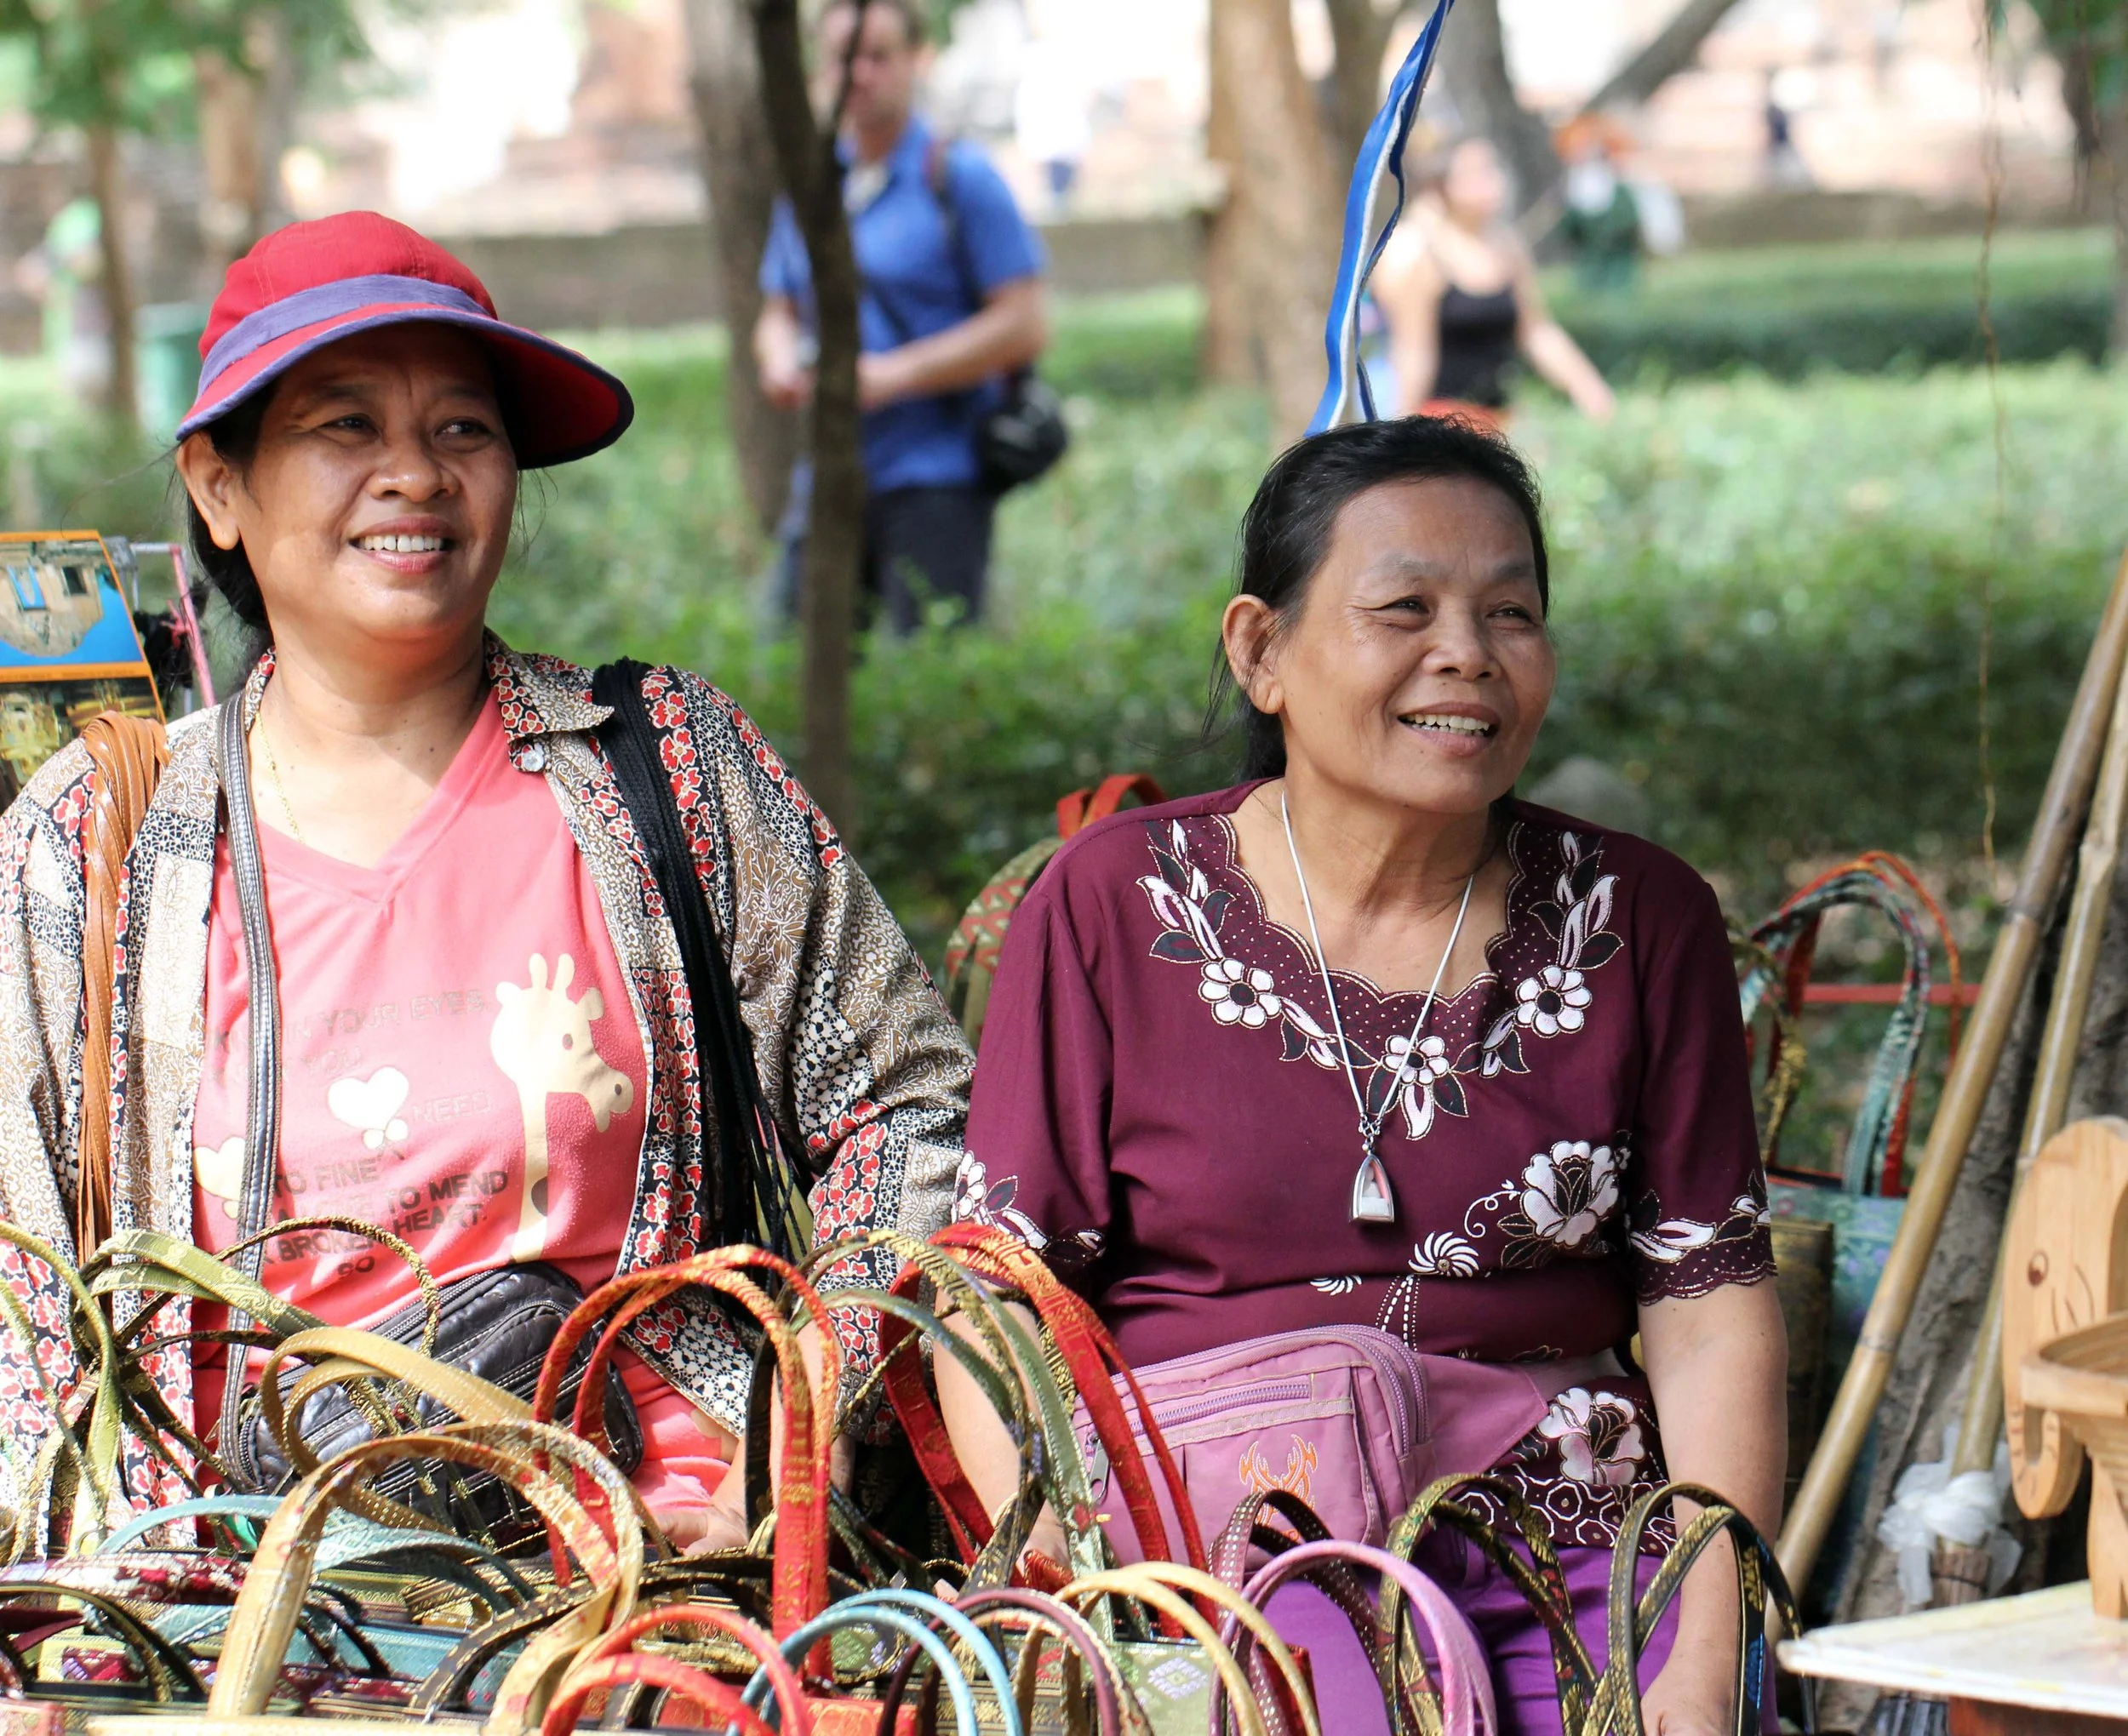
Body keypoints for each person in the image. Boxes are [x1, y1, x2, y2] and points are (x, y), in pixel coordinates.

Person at [0, 212, 970, 1549]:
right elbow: (21, 1275)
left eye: (462, 430)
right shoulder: (96, 843)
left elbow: (906, 1103)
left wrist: (811, 1425)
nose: (415, 475)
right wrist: (109, 1594)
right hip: (247, 1615)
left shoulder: (665, 767)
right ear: (219, 488)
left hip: (668, 1596)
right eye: (345, 427)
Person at [945, 418, 1784, 1734]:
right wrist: (1084, 1605)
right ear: (1260, 650)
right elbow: (1003, 1303)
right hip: (1235, 1548)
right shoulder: (1110, 904)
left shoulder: (1640, 917)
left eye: (1512, 611)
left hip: (1575, 1536)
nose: (1468, 653)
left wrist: (1709, 1644)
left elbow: (1707, 1304)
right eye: (1405, 607)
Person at [756, 0, 1049, 633]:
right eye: (842, 58)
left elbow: (1025, 323)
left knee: (932, 677)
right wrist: (779, 360)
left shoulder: (959, 177)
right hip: (827, 477)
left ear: (917, 61)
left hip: (936, 478)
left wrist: (892, 376)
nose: (859, 73)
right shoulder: (810, 183)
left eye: (878, 56)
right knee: (785, 659)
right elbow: (778, 309)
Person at [1372, 137, 1615, 431]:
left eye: (1492, 169)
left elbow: (1536, 330)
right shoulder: (1416, 251)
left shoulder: (1505, 245)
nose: (1491, 181)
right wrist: (1400, 434)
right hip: (1440, 425)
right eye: (1475, 172)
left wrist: (1590, 391)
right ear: (1441, 183)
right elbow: (1412, 352)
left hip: (1498, 419)